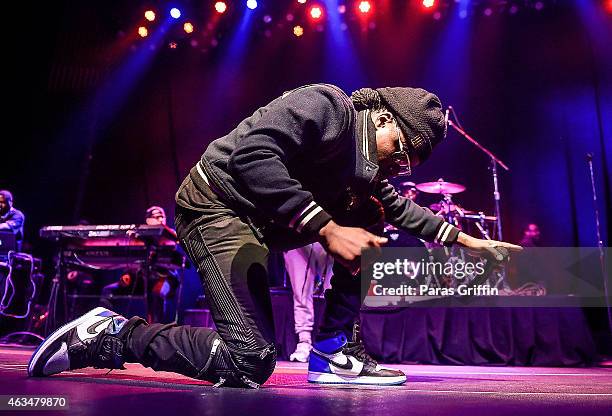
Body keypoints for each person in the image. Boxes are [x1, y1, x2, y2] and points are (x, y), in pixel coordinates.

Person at [29, 84, 521, 387]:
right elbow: (252, 157)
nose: (400, 163)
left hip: (261, 225)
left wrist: (469, 243)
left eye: (411, 162)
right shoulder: (327, 107)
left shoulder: (367, 170)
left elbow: (399, 206)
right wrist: (326, 229)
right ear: (384, 117)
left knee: (372, 221)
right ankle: (114, 335)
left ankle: (331, 350)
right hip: (215, 206)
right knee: (250, 359)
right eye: (402, 148)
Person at [284, 243, 332, 362]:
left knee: (333, 290)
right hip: (297, 237)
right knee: (301, 292)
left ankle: (332, 342)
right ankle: (304, 342)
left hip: (336, 234)